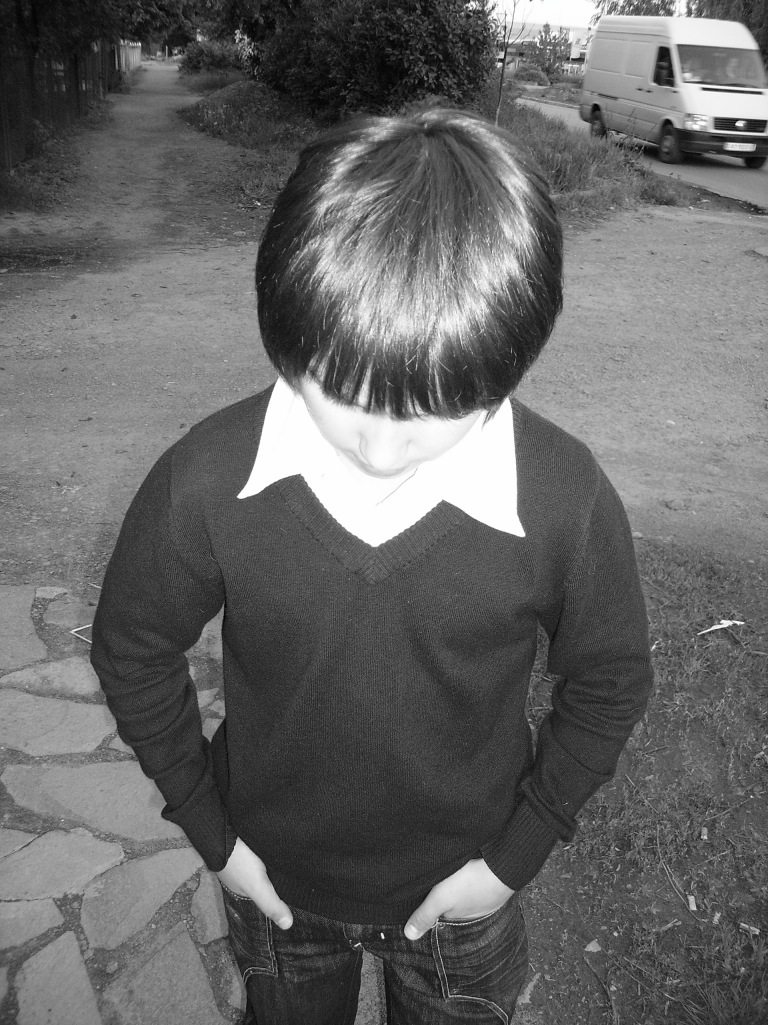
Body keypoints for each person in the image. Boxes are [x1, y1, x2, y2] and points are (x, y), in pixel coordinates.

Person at [90, 108, 654, 1025]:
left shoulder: (564, 496)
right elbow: (132, 648)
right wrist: (210, 831)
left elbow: (612, 680)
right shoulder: (206, 479)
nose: (382, 450)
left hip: (465, 898)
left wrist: (515, 856)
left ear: (507, 363)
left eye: (435, 412)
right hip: (273, 884)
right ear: (287, 327)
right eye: (341, 395)